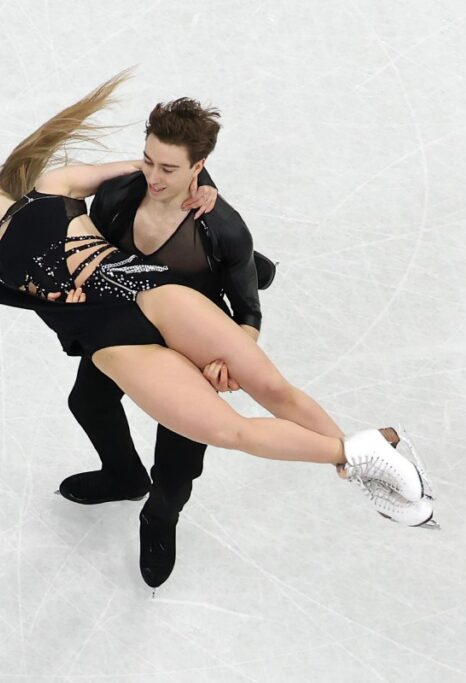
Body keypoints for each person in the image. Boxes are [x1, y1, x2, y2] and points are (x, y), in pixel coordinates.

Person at [0, 72, 439, 565]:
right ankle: (355, 456)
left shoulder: (53, 187)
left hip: (151, 290)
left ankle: (362, 470)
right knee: (229, 429)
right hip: (114, 343)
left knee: (270, 387)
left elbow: (150, 168)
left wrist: (205, 183)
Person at [58, 97, 280, 588]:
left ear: (200, 166)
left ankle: (160, 516)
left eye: (170, 168)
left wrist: (230, 357)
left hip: (190, 335)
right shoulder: (118, 197)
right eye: (148, 161)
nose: (154, 178)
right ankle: (123, 477)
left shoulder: (223, 228)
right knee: (87, 401)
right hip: (130, 324)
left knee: (180, 458)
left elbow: (247, 312)